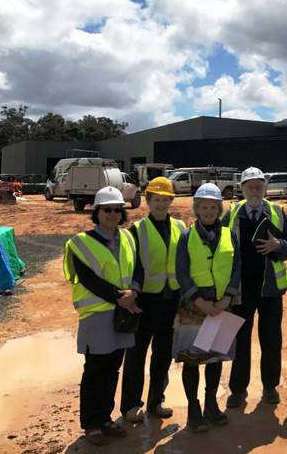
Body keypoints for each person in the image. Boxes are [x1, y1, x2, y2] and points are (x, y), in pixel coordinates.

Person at [63, 186, 143, 446]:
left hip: (123, 313)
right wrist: (121, 297)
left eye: (117, 210)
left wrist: (135, 291)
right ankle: (91, 423)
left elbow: (138, 270)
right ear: (96, 212)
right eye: (107, 209)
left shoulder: (129, 238)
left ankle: (106, 417)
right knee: (95, 370)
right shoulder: (79, 243)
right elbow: (88, 279)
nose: (112, 214)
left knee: (112, 369)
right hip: (97, 315)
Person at [223, 167, 287, 408]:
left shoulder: (277, 212)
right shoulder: (231, 215)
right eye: (249, 185)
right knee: (240, 340)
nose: (254, 189)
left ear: (265, 188)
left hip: (270, 289)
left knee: (271, 339)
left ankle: (270, 386)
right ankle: (238, 390)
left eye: (258, 185)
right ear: (242, 189)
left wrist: (278, 245)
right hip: (240, 290)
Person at [175, 183, 241, 432]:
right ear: (196, 209)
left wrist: (226, 300)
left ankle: (211, 404)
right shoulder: (186, 236)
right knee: (192, 360)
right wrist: (200, 301)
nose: (209, 211)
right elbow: (181, 273)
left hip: (222, 304)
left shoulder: (229, 235)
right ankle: (194, 408)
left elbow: (237, 268)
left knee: (215, 358)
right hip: (195, 306)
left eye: (213, 207)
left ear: (219, 208)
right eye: (204, 207)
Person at [120, 177, 186, 423]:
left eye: (165, 199)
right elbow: (131, 265)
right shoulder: (137, 230)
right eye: (156, 199)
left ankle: (156, 400)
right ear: (148, 201)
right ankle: (130, 405)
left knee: (163, 354)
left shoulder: (180, 227)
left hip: (171, 301)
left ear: (170, 201)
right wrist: (131, 293)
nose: (160, 204)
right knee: (136, 354)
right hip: (144, 302)